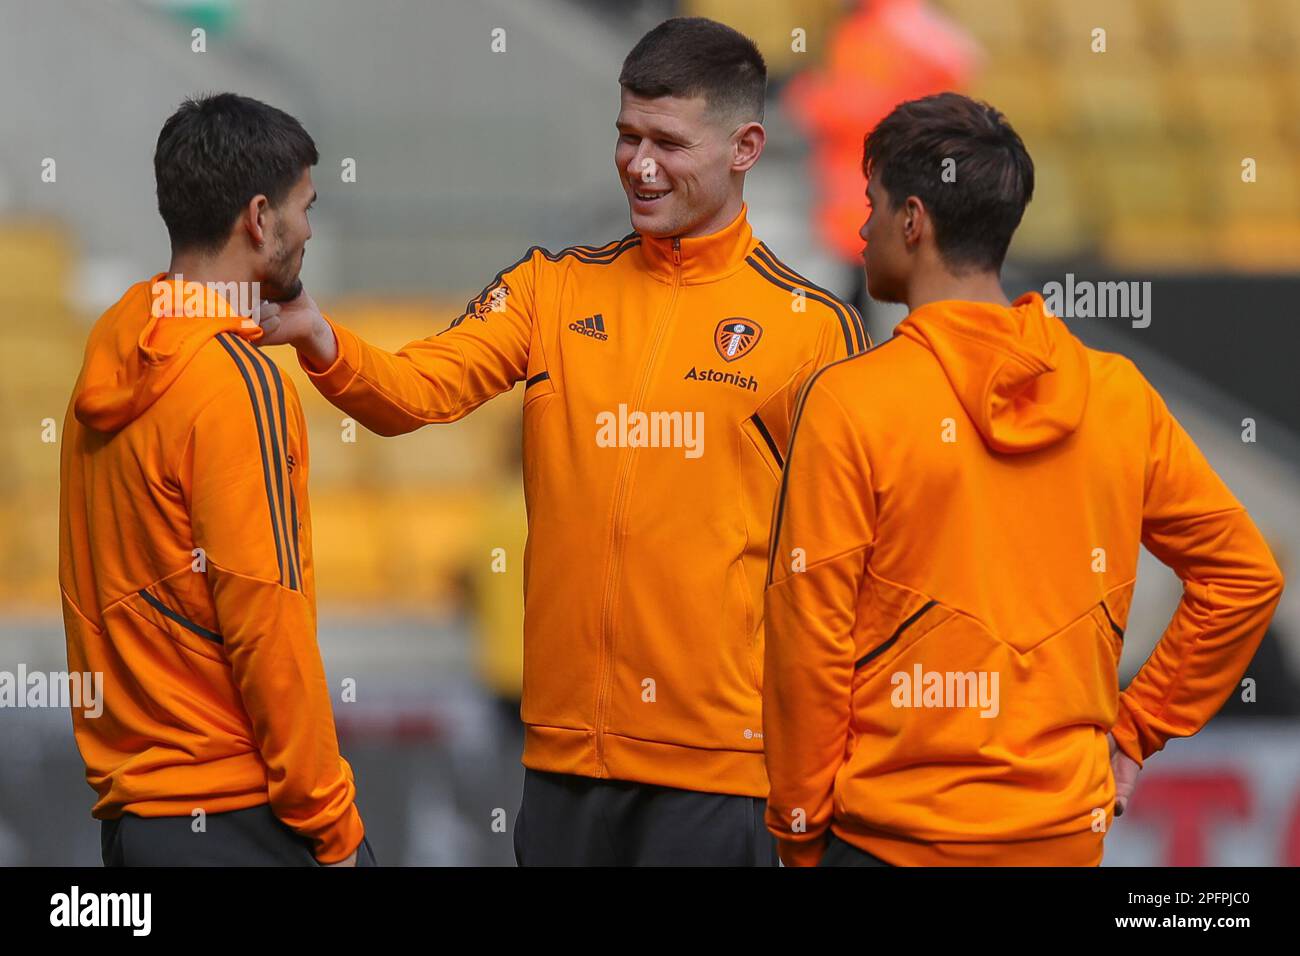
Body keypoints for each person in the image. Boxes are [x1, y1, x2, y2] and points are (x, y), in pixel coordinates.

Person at [258, 17, 867, 866]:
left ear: (746, 146)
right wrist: (320, 337)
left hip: (722, 777)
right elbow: (417, 391)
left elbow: (844, 563)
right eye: (626, 136)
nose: (639, 164)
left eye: (667, 141)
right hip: (561, 767)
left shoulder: (813, 329)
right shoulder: (550, 289)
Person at [761, 92, 1285, 867]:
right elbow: (1245, 576)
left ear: (913, 221)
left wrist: (801, 831)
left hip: (889, 843)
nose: (861, 229)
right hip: (1059, 844)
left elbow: (809, 642)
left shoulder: (848, 401)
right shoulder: (1116, 396)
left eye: (869, 206)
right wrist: (1136, 730)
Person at [60, 93, 373, 866]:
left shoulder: (111, 355)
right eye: (305, 208)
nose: (307, 231)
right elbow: (269, 625)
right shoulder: (238, 383)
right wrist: (334, 830)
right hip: (241, 815)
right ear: (260, 219)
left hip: (137, 819)